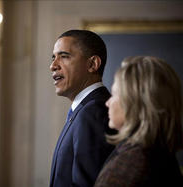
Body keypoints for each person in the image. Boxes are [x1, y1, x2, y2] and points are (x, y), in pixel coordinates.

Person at [94, 56, 183, 187]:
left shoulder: (131, 164)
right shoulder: (160, 153)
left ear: (135, 102)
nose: (107, 103)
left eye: (114, 95)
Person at [49, 29, 115, 187]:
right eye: (53, 57)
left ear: (92, 64)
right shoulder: (84, 109)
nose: (53, 66)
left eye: (64, 56)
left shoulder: (93, 111)